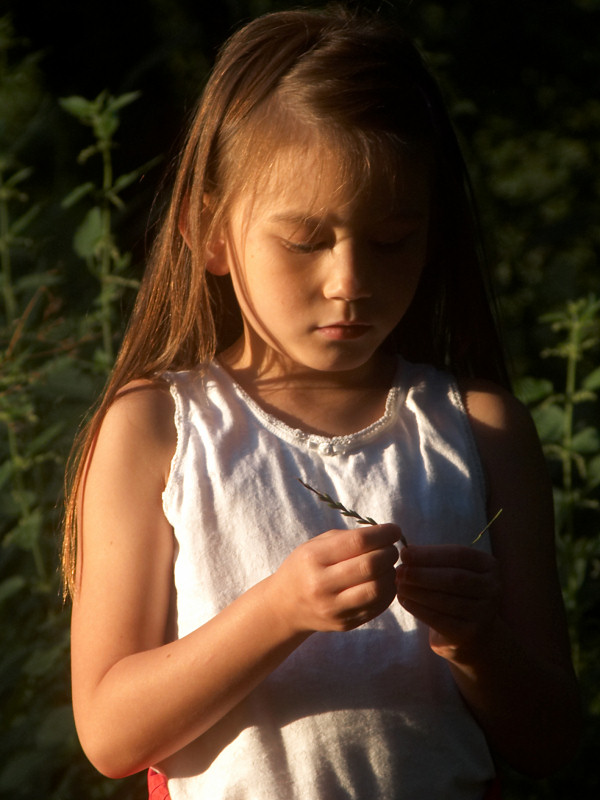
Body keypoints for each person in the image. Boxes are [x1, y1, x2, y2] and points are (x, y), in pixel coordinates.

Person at [63, 6, 580, 799]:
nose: (350, 282)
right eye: (305, 240)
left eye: (394, 238)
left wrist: (477, 640)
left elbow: (551, 739)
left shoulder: (479, 428)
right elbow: (109, 732)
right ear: (212, 233)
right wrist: (275, 611)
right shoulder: (160, 430)